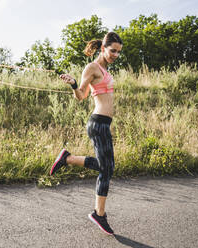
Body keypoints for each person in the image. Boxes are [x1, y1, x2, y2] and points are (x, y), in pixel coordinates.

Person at [49, 32, 122, 235]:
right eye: (113, 50)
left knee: (107, 167)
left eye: (118, 52)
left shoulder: (104, 68)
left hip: (103, 124)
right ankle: (99, 214)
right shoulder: (92, 68)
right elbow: (81, 95)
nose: (116, 54)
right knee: (106, 169)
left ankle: (67, 158)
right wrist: (73, 84)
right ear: (103, 49)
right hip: (97, 123)